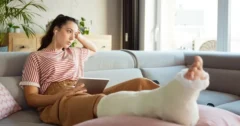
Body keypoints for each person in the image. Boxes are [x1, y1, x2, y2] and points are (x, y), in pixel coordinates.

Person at [19, 14, 209, 126]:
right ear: (55, 30)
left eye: (75, 33)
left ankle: (180, 99)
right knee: (103, 101)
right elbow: (32, 98)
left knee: (141, 83)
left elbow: (93, 49)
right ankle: (174, 105)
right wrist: (60, 95)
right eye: (69, 31)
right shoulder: (36, 58)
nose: (72, 37)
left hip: (83, 92)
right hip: (57, 102)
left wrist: (79, 37)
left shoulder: (75, 52)